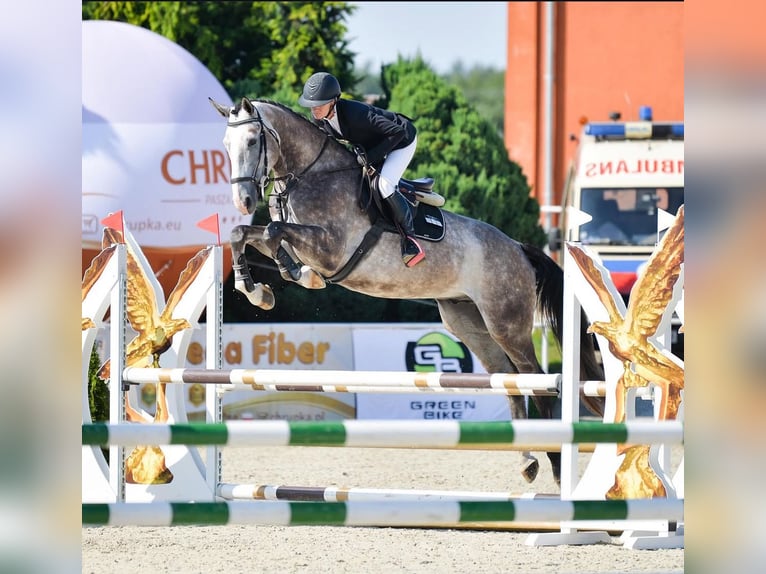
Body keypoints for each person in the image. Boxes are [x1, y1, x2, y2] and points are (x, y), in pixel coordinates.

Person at [298, 71, 424, 268]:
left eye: (319, 104)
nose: (314, 109)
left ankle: (411, 239)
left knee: (383, 186)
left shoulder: (356, 114)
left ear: (334, 101)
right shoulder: (320, 118)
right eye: (312, 105)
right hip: (374, 143)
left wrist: (370, 157)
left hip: (402, 141)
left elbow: (396, 132)